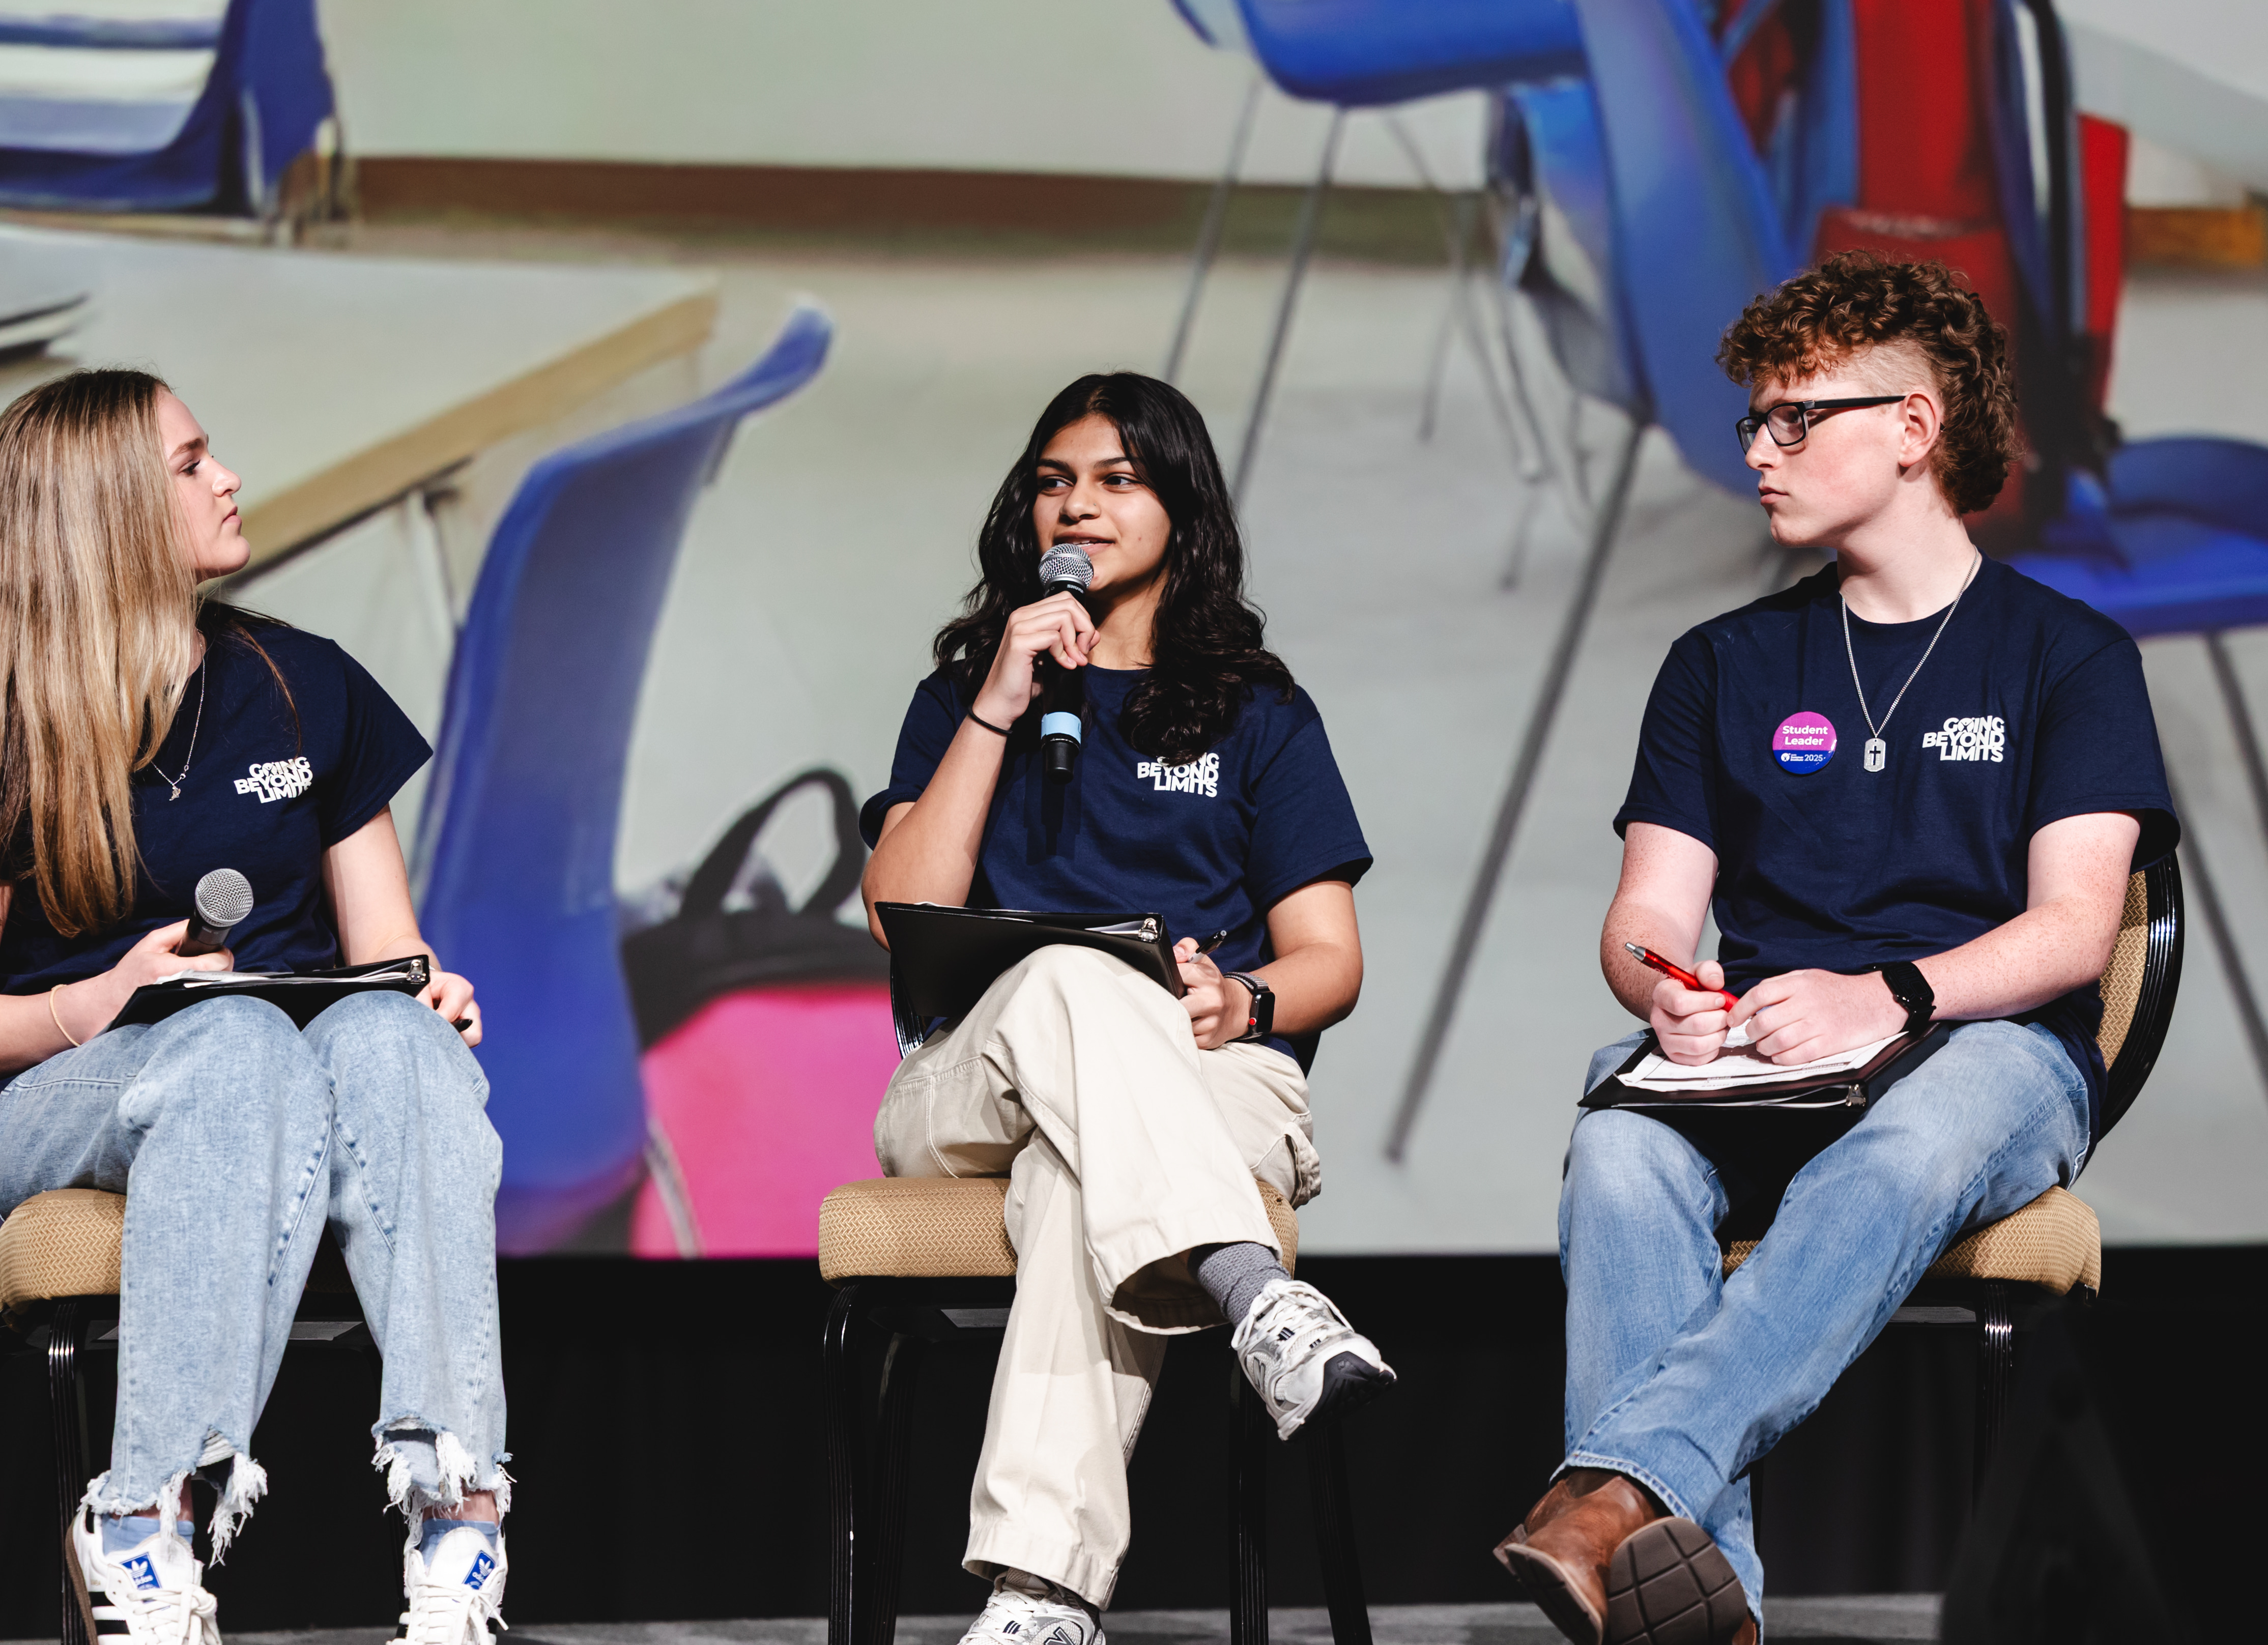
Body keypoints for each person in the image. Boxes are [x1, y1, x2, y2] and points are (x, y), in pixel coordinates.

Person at [1495, 251, 2179, 1645]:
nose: (1755, 451)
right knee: (1619, 1138)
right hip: (1762, 1059)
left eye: (1793, 418)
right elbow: (1643, 920)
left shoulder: (2071, 656)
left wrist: (1892, 996)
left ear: (1916, 427)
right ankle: (1709, 1605)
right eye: (1754, 421)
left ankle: (1613, 1491)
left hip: (1987, 1050)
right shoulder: (1720, 664)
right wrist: (1665, 991)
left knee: (1921, 1133)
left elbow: (2068, 932)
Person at [0, 369, 510, 1645]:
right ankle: (140, 1516)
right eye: (190, 465)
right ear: (108, 512)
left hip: (292, 1062)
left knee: (390, 1039)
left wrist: (426, 992)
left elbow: (384, 946)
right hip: (74, 1096)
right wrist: (102, 1000)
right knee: (228, 1040)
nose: (226, 479)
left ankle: (458, 1515)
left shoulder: (304, 685)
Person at [859, 372, 1393, 1645]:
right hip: (968, 1080)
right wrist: (1000, 699)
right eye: (1054, 480)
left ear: (1181, 506)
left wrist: (1244, 993)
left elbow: (1329, 961)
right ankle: (1250, 1290)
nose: (1078, 506)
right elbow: (896, 915)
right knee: (1070, 973)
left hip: (1211, 1070)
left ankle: (1040, 1596)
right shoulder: (960, 693)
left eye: (1116, 479)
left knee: (1078, 1187)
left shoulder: (1258, 709)